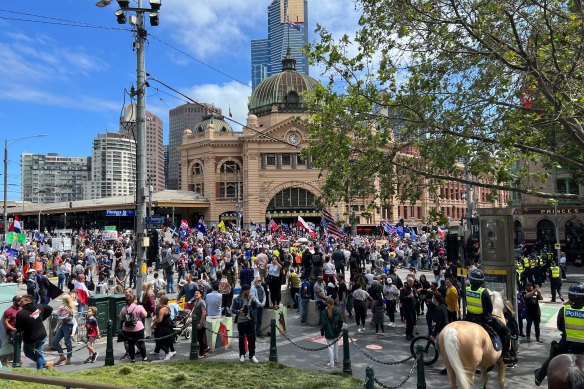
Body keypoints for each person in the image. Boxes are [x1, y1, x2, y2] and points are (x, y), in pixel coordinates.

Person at [535, 282, 584, 385]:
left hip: (566, 345)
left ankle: (539, 377)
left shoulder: (564, 310)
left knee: (552, 357)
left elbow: (560, 327)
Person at [465, 268, 513, 363]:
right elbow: (490, 308)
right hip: (483, 319)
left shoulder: (466, 289)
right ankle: (506, 353)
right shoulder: (484, 292)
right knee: (507, 331)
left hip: (469, 318)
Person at [15, 294, 53, 370]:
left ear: (28, 300)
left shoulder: (21, 313)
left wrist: (41, 318)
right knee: (39, 353)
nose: (19, 302)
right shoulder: (40, 306)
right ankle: (44, 363)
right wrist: (41, 318)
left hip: (30, 338)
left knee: (29, 353)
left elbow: (19, 328)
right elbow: (50, 309)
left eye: (21, 301)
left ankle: (40, 372)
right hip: (42, 335)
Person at [232, 284, 259, 363]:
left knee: (251, 339)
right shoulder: (237, 299)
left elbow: (255, 307)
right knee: (241, 339)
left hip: (250, 321)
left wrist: (254, 300)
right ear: (244, 291)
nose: (249, 292)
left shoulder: (250, 298)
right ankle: (242, 354)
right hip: (241, 321)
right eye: (248, 290)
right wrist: (239, 311)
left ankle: (252, 355)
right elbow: (233, 310)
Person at [119, 292, 149, 363]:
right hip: (138, 328)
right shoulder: (139, 307)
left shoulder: (124, 309)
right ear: (134, 300)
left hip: (127, 329)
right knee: (141, 343)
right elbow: (145, 315)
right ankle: (144, 358)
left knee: (130, 344)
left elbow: (121, 318)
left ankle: (132, 359)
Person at [53, 294, 77, 366]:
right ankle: (62, 356)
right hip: (63, 325)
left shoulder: (67, 308)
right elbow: (59, 317)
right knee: (55, 342)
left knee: (67, 343)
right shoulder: (62, 307)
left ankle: (68, 359)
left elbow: (62, 317)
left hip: (68, 326)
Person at [152, 295, 175, 361]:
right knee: (164, 340)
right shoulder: (167, 307)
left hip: (163, 327)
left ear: (161, 301)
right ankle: (166, 354)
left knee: (160, 340)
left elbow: (159, 320)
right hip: (167, 326)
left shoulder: (162, 310)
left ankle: (168, 354)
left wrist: (154, 322)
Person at [321, 297, 342, 368]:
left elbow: (323, 323)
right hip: (336, 331)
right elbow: (340, 321)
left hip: (329, 332)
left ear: (327, 304)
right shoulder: (337, 311)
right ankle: (336, 359)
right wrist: (339, 329)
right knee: (336, 346)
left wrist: (322, 330)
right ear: (333, 303)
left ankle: (331, 363)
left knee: (330, 348)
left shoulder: (324, 312)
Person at [192, 289, 210, 358]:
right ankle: (206, 348)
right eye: (195, 293)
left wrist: (200, 322)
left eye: (197, 293)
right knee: (199, 338)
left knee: (200, 339)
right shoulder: (196, 302)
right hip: (196, 323)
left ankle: (201, 353)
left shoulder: (202, 302)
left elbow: (204, 312)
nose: (196, 294)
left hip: (201, 323)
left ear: (201, 294)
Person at [400, 276, 418, 341]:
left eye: (412, 281)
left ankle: (411, 333)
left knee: (413, 322)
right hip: (407, 309)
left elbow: (415, 297)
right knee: (409, 322)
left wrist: (416, 295)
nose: (412, 283)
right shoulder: (404, 289)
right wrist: (408, 296)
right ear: (407, 282)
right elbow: (401, 299)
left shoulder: (413, 289)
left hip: (413, 308)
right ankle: (408, 334)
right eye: (410, 281)